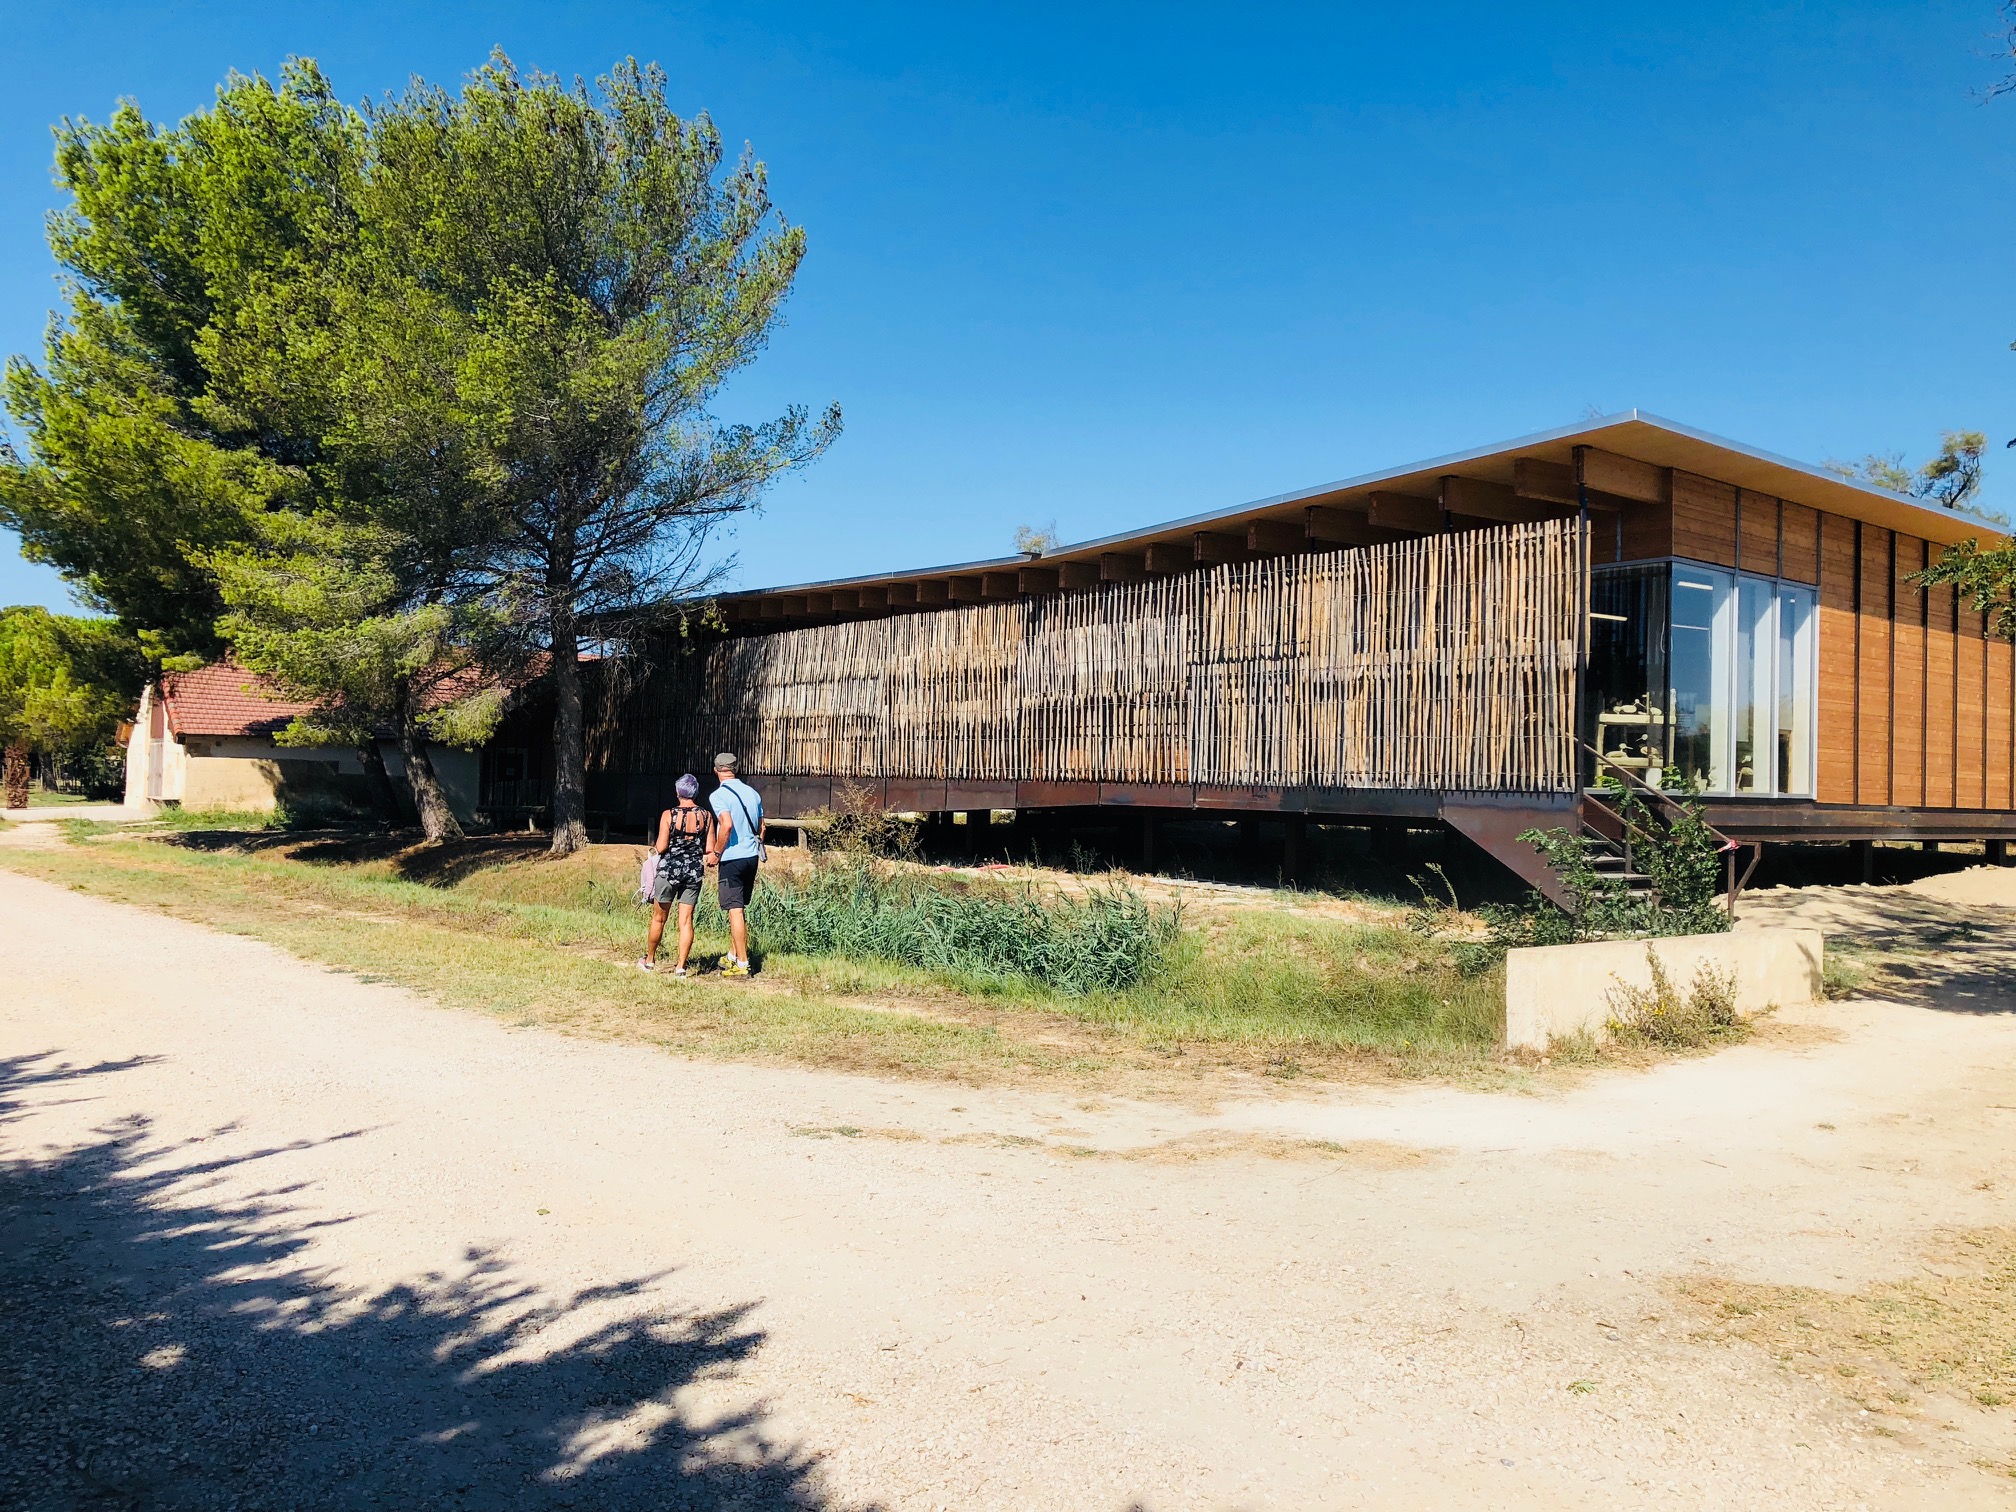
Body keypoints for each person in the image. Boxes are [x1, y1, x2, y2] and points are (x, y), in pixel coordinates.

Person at [639, 774, 710, 976]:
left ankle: (650, 961)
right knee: (686, 921)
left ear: (678, 792)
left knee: (659, 918)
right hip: (694, 871)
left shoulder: (668, 815)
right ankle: (681, 967)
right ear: (696, 792)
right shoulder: (706, 816)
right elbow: (710, 848)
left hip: (670, 870)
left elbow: (661, 847)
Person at [704, 752, 765, 977]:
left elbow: (726, 825)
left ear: (716, 770)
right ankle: (732, 954)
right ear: (736, 768)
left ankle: (742, 964)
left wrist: (716, 853)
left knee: (734, 910)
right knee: (738, 909)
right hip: (751, 857)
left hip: (732, 858)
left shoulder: (718, 795)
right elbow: (762, 827)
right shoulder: (753, 793)